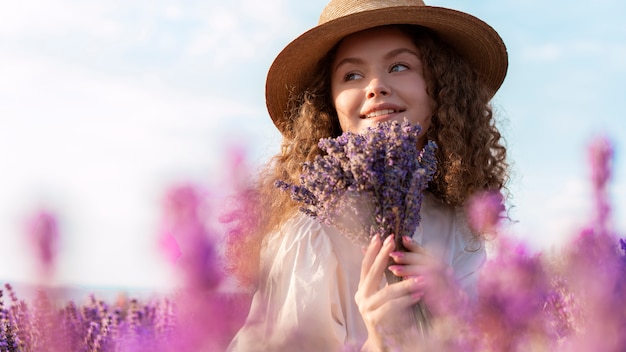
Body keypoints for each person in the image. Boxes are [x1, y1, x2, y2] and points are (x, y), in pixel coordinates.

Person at [226, 0, 509, 350]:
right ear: (329, 101)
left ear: (440, 86)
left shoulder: (458, 225)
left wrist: (452, 312)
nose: (376, 86)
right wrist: (378, 342)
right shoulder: (312, 233)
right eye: (352, 75)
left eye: (400, 65)